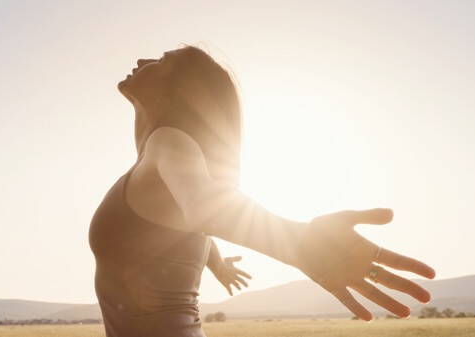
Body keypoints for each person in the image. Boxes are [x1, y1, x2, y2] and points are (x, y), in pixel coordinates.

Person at [89, 45, 435, 337]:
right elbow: (187, 221)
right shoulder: (161, 161)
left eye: (162, 61)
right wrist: (218, 263)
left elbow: (203, 206)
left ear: (171, 92)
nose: (144, 61)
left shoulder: (168, 141)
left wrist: (300, 244)